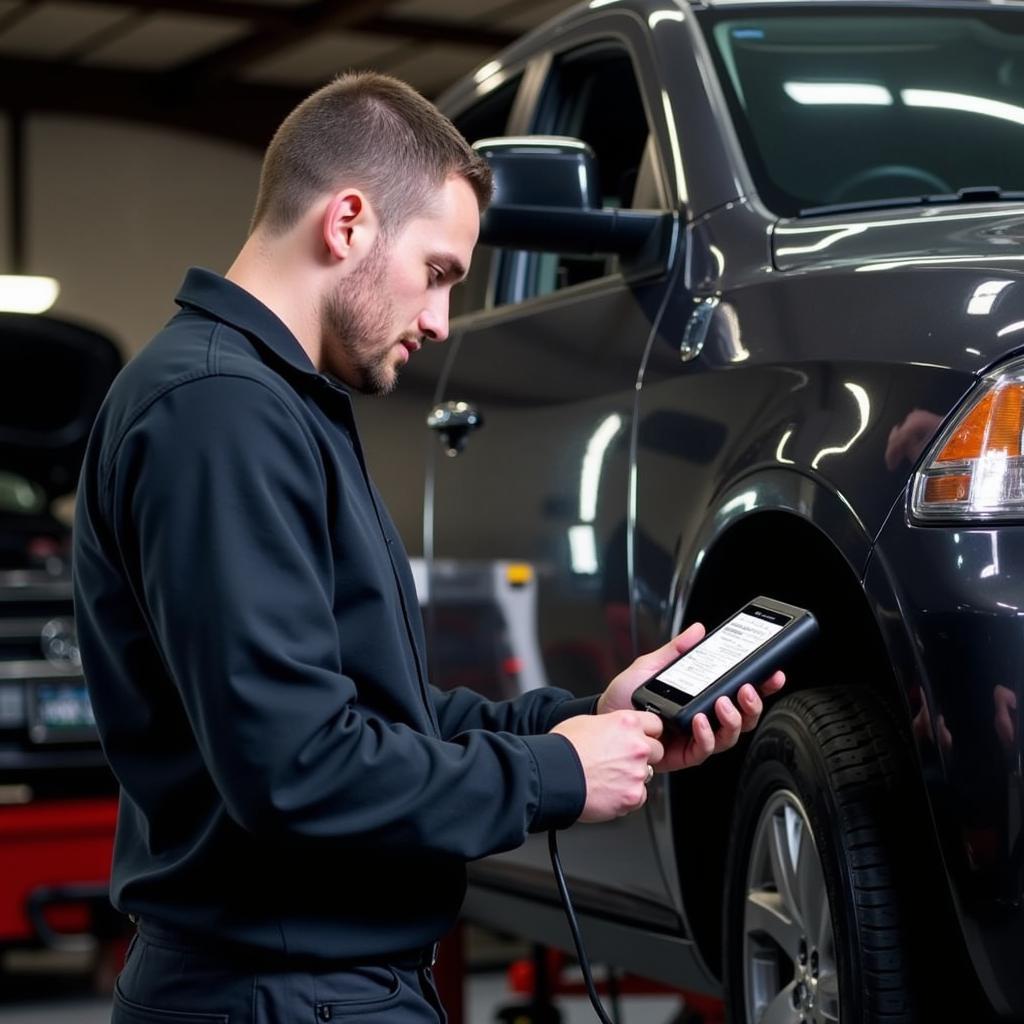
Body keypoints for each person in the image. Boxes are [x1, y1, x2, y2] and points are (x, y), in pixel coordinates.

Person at [72, 71, 784, 1024]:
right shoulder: (218, 413)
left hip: (312, 988)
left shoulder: (277, 405)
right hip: (277, 996)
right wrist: (556, 776)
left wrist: (585, 722)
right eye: (440, 272)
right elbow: (297, 770)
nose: (444, 321)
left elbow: (375, 715)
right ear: (349, 222)